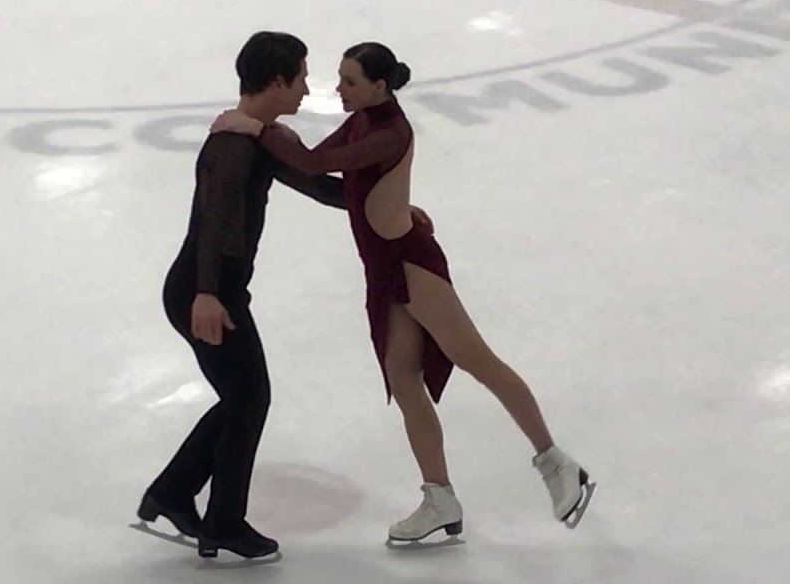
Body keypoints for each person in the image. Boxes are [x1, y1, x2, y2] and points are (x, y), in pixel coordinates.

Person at [210, 41, 595, 543]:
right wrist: (269, 133)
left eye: (349, 82)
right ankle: (440, 497)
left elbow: (309, 165)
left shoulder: (389, 132)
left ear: (379, 86)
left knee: (477, 359)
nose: (339, 89)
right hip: (384, 269)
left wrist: (258, 127)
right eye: (340, 79)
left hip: (411, 264)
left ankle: (556, 464)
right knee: (403, 377)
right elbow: (322, 166)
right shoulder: (362, 120)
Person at [137, 32, 433, 560]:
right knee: (249, 398)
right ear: (276, 80)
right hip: (205, 290)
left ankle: (174, 494)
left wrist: (396, 212)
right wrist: (207, 294)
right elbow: (211, 222)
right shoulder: (233, 145)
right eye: (300, 77)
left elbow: (322, 185)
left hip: (214, 288)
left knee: (243, 397)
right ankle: (220, 520)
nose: (306, 89)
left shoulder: (259, 137)